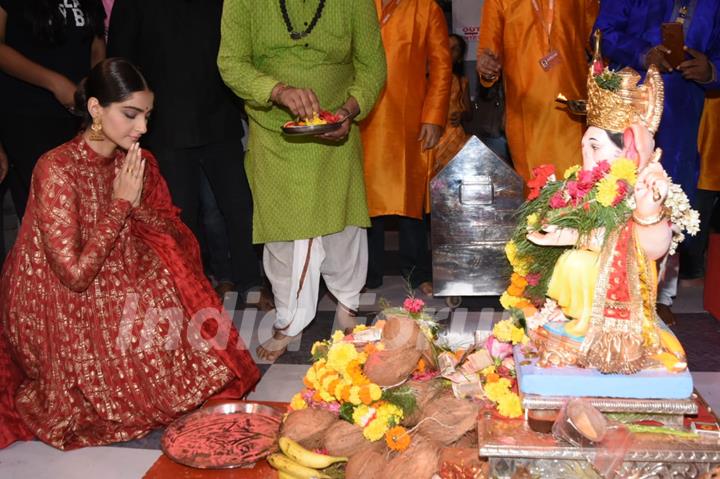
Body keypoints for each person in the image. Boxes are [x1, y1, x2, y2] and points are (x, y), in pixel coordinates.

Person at [0, 58, 260, 450]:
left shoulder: (133, 159)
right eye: (131, 115)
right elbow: (73, 274)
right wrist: (121, 204)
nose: (142, 128)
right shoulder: (56, 169)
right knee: (132, 353)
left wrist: (137, 212)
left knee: (163, 281)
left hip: (112, 267)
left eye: (147, 116)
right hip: (57, 299)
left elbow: (169, 228)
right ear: (94, 110)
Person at [505, 43, 698, 374]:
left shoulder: (644, 184)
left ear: (629, 150)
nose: (587, 158)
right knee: (537, 256)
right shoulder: (585, 184)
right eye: (584, 147)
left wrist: (647, 213)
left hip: (625, 279)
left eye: (595, 148)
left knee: (577, 263)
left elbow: (652, 248)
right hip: (588, 278)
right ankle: (560, 317)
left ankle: (591, 331)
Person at [218, 0, 386, 361]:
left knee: (343, 227)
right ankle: (289, 319)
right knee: (282, 233)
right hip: (273, 133)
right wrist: (277, 90)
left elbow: (373, 67)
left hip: (336, 129)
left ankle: (347, 306)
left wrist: (348, 110)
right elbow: (230, 63)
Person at [107, 0, 265, 305]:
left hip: (220, 119)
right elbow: (121, 63)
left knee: (239, 207)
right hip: (165, 125)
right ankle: (199, 286)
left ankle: (251, 282)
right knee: (183, 216)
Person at [594, 0, 720, 324]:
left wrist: (711, 71)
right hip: (630, 97)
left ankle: (659, 295)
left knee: (671, 192)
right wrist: (642, 54)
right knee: (620, 187)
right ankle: (612, 288)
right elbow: (603, 32)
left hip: (682, 106)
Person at [361, 0, 452, 295]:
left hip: (409, 120)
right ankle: (365, 273)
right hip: (359, 116)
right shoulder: (355, 5)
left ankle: (417, 271)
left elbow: (441, 66)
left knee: (410, 199)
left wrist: (434, 117)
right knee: (364, 198)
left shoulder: (426, 8)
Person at [0, 0, 106, 219]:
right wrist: (54, 83)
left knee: (86, 210)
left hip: (81, 117)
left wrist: (92, 82)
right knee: (51, 213)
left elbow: (97, 44)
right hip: (29, 115)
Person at [476, 0, 599, 181]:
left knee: (576, 184)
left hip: (572, 110)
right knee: (535, 187)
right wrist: (487, 68)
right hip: (527, 112)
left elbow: (598, 38)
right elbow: (488, 50)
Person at [429, 33, 471, 179]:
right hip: (432, 136)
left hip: (454, 137)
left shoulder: (462, 81)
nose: (449, 51)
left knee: (453, 178)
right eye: (446, 46)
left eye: (455, 49)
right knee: (432, 177)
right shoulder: (426, 78)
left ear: (459, 58)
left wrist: (461, 115)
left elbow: (469, 112)